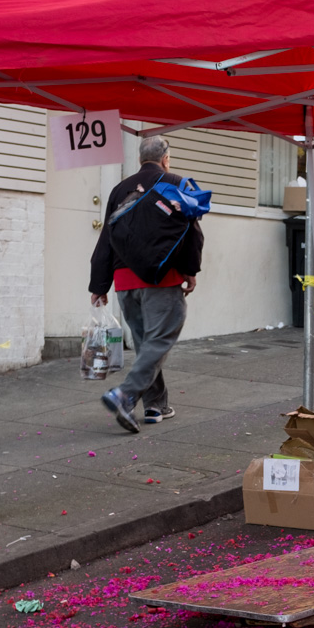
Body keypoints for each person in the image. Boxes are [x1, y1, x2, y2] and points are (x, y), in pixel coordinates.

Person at [89, 135, 204, 433]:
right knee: (160, 338)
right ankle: (125, 394)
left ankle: (155, 406)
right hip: (162, 279)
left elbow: (107, 239)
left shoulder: (119, 189)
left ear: (141, 159)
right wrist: (190, 270)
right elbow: (192, 233)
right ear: (165, 158)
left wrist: (99, 284)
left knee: (146, 345)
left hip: (124, 282)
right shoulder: (175, 183)